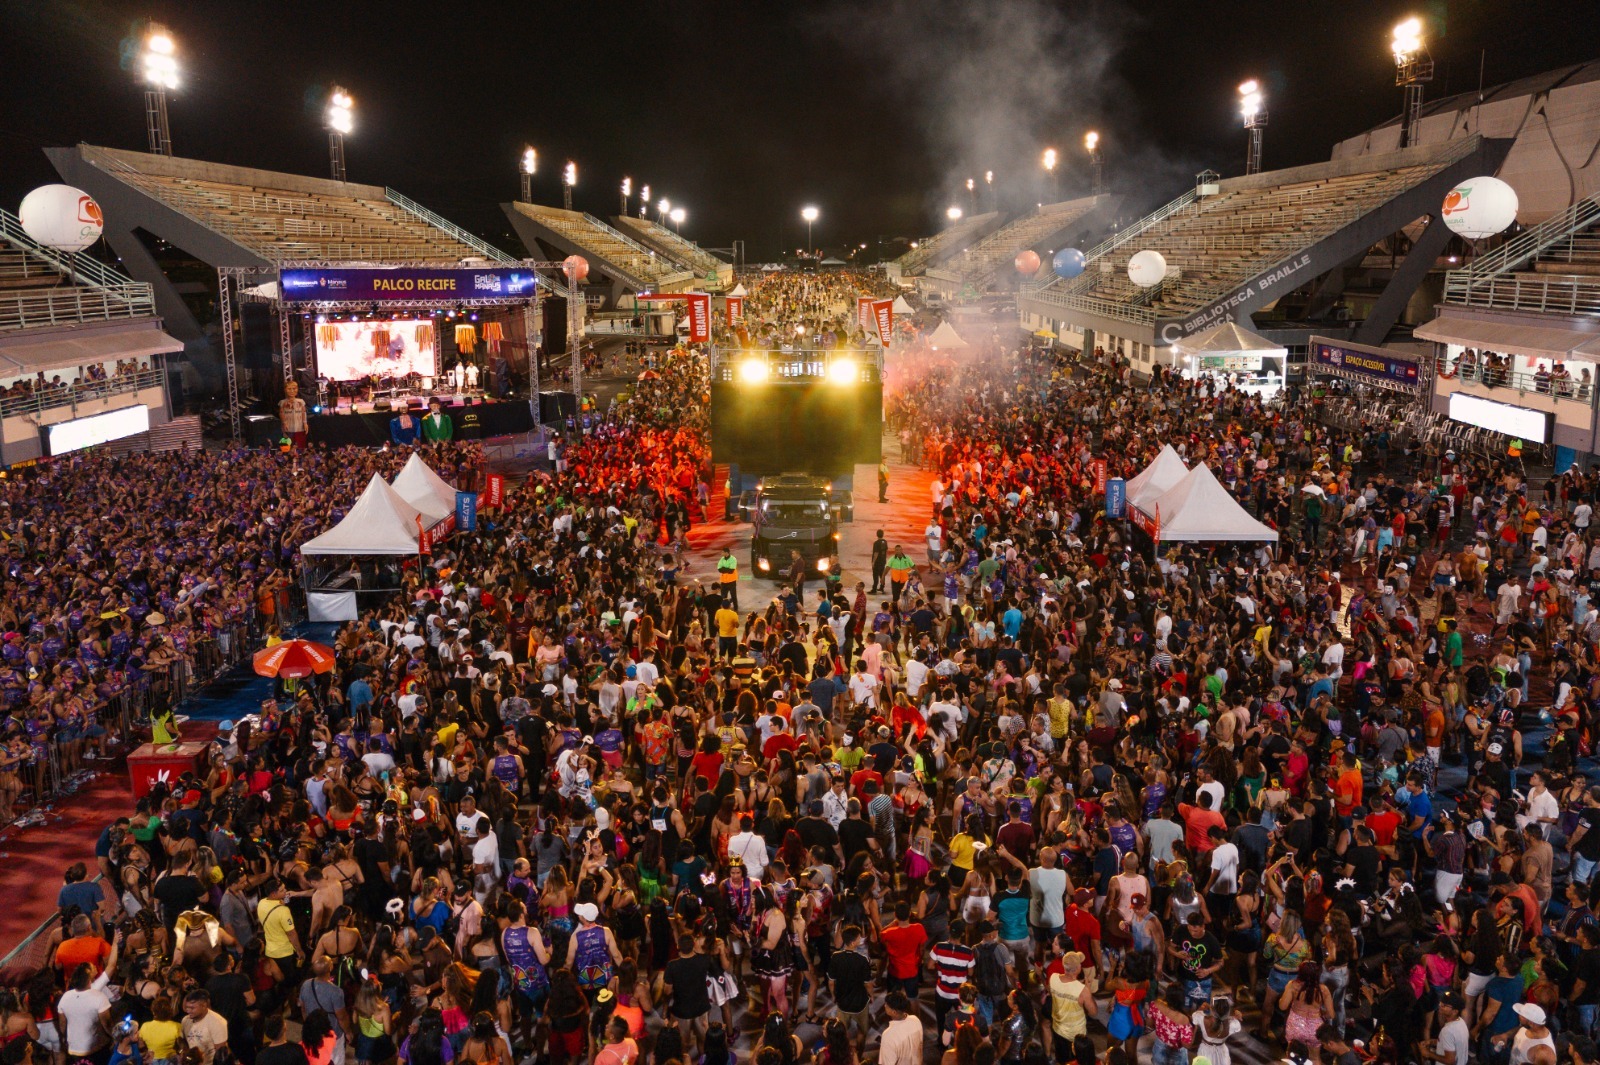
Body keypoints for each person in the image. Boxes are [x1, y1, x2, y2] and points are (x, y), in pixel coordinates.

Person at [877, 990, 924, 1065]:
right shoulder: (915, 1020)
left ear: (894, 1012)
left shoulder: (888, 1036)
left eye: (887, 1005)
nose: (884, 1005)